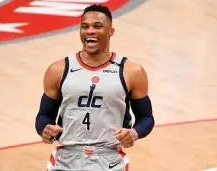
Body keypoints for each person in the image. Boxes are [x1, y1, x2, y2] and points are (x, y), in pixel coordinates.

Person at [35, 4, 155, 171]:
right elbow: (43, 116)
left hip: (109, 159)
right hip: (65, 158)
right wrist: (45, 129)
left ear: (111, 31)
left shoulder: (132, 71)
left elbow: (146, 118)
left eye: (97, 26)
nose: (90, 31)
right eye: (85, 27)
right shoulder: (58, 69)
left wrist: (134, 133)